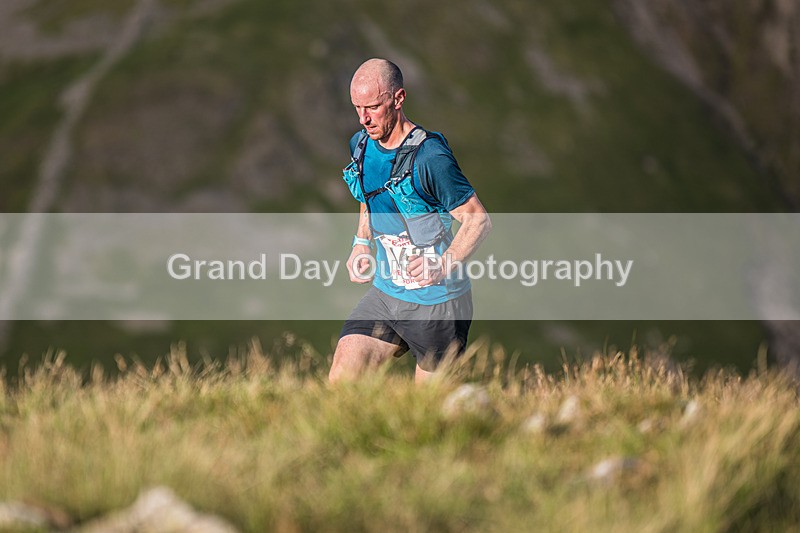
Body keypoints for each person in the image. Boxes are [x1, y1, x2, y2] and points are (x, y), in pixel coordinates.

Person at [329, 58, 491, 384]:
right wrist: (361, 244)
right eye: (357, 107)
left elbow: (478, 221)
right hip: (386, 293)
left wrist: (442, 265)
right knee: (342, 381)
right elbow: (368, 195)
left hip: (439, 305)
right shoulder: (361, 146)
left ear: (398, 99)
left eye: (373, 107)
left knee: (430, 412)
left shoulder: (431, 158)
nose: (364, 119)